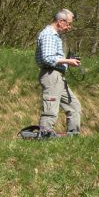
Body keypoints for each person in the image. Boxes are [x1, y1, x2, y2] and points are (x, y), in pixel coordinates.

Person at [35, 9, 82, 137]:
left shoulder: (55, 35)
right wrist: (68, 61)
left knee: (74, 106)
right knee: (50, 107)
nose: (69, 27)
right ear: (60, 21)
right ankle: (44, 135)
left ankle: (73, 136)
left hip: (58, 76)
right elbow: (47, 58)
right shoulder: (49, 34)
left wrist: (69, 61)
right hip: (51, 75)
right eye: (68, 24)